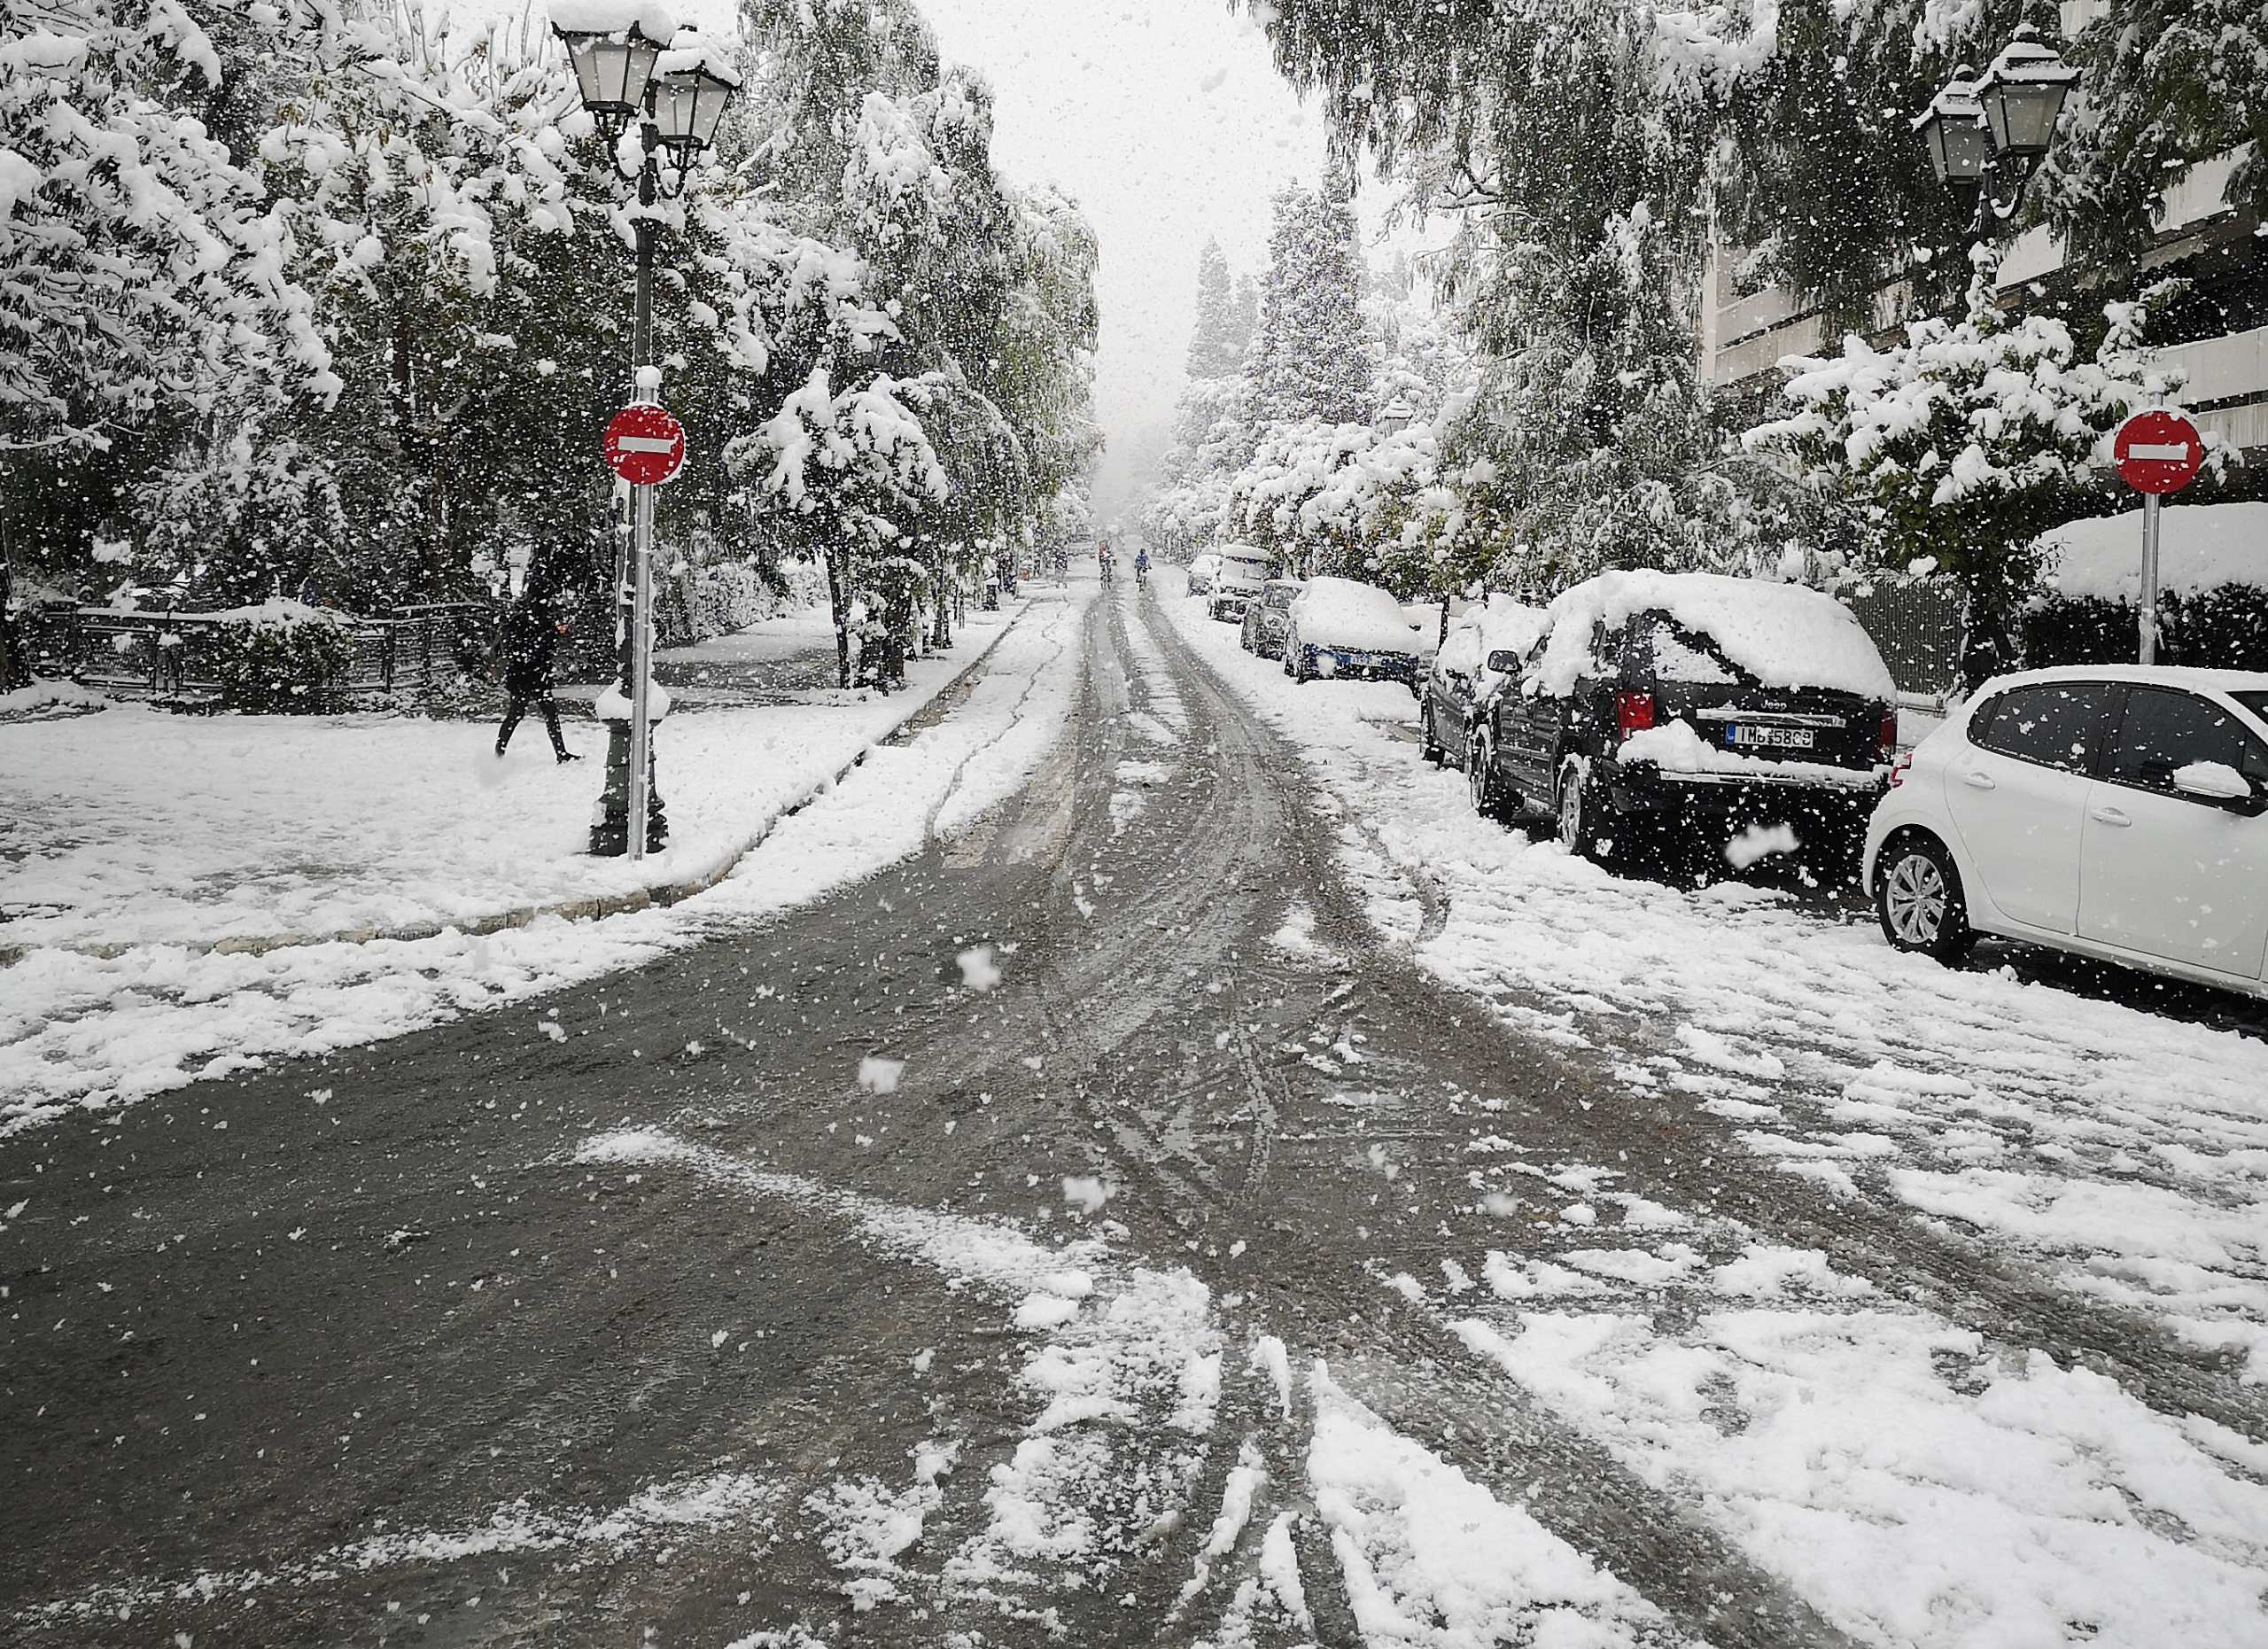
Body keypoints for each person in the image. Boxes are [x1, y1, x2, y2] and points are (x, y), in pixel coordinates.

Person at [495, 582, 580, 761]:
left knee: (521, 713)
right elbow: (534, 648)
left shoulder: (523, 619)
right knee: (538, 713)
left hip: (526, 675)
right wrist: (553, 634)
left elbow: (526, 648)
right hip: (530, 675)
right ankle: (560, 752)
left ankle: (500, 749)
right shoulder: (532, 621)